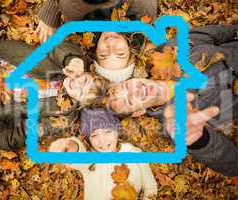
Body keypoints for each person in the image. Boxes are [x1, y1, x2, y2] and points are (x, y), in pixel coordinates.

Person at [106, 24, 238, 176]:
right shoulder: (176, 123)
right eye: (129, 101)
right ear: (138, 112)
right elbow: (232, 165)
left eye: (127, 86)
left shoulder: (167, 51)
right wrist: (200, 141)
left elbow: (216, 33)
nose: (135, 91)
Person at [0, 32, 108, 151]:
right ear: (87, 72)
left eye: (81, 93)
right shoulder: (69, 66)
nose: (78, 85)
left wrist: (0, 142)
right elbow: (59, 49)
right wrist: (73, 60)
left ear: (80, 103)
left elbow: (29, 132)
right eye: (86, 81)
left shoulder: (64, 116)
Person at [49, 108, 158, 200]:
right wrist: (70, 145)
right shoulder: (91, 160)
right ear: (89, 139)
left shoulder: (134, 153)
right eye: (94, 136)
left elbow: (151, 189)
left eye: (108, 132)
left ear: (117, 131)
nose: (102, 141)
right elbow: (77, 152)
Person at [36, 0, 157, 42]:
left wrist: (53, 9)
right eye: (120, 55)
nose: (111, 46)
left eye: (103, 56)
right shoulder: (144, 10)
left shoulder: (76, 19)